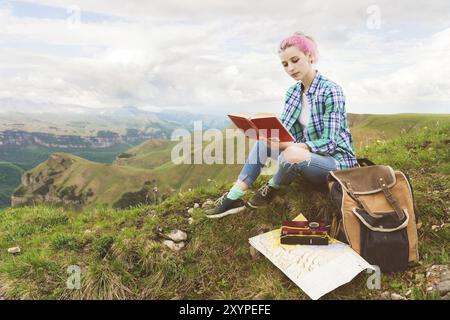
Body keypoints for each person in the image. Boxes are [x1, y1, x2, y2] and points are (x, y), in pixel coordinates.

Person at [206, 32, 357, 218]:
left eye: (295, 60)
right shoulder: (293, 92)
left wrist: (289, 146)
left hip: (334, 163)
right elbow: (285, 131)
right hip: (304, 157)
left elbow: (330, 143)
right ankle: (233, 196)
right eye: (285, 64)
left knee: (291, 153)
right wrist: (264, 135)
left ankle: (273, 186)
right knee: (264, 144)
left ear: (310, 56)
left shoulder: (331, 91)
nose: (290, 68)